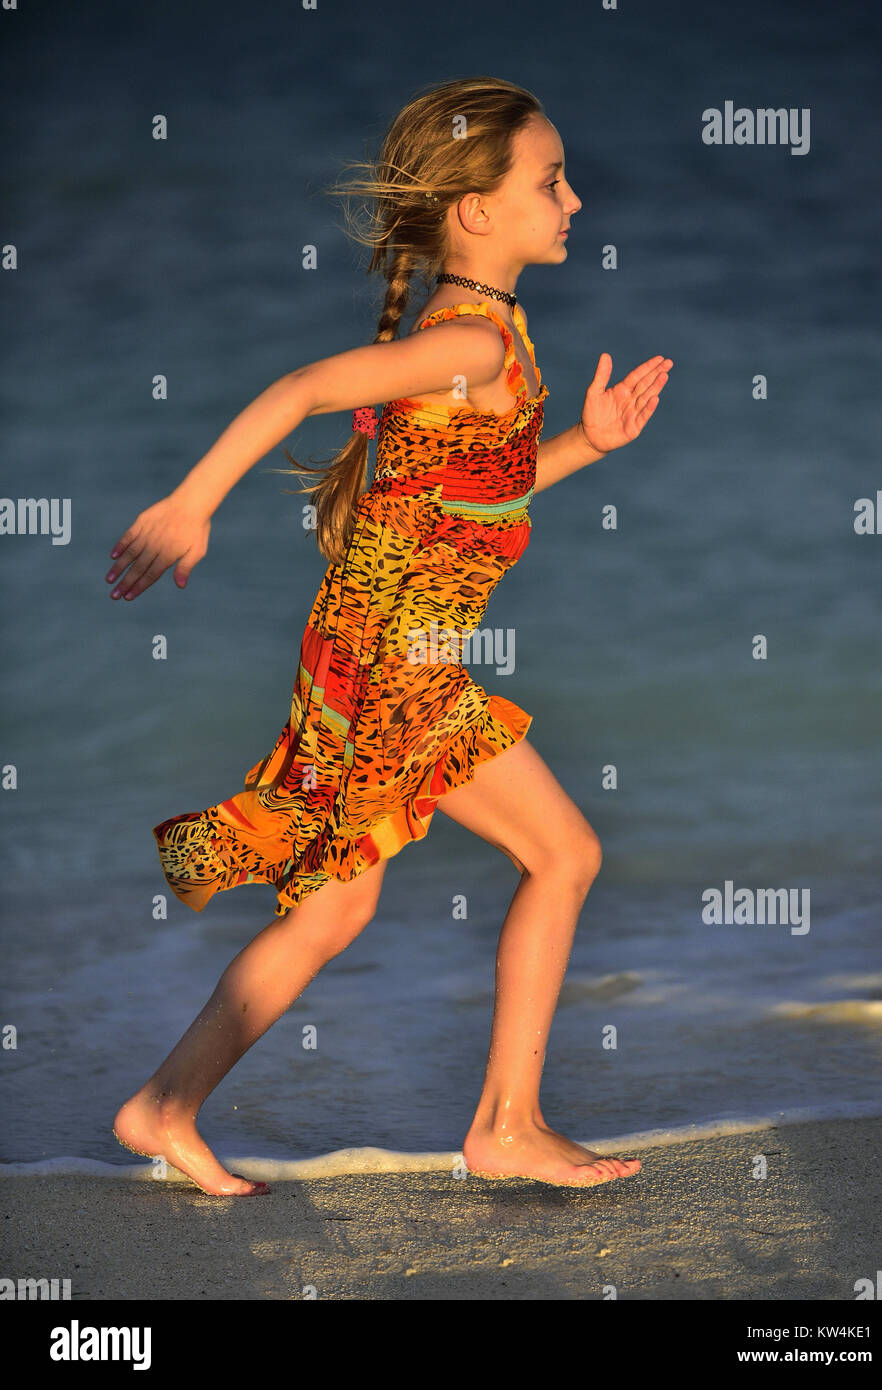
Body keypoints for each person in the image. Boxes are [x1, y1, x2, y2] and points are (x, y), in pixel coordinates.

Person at [107, 77, 672, 1194]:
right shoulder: (466, 341)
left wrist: (587, 447)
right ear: (476, 210)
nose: (573, 200)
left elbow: (478, 503)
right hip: (395, 661)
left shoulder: (490, 338)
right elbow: (307, 385)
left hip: (379, 650)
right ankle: (505, 1124)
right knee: (563, 853)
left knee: (342, 898)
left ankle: (163, 1105)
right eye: (549, 180)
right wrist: (191, 501)